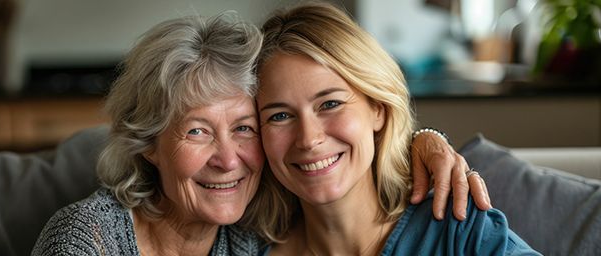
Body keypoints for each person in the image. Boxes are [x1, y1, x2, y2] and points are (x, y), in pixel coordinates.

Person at [32, 10, 490, 256]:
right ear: (148, 144)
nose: (228, 159)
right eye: (196, 131)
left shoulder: (251, 231)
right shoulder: (89, 240)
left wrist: (423, 139)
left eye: (244, 128)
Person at [254, 2, 539, 255]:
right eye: (279, 116)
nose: (308, 139)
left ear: (378, 108)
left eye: (329, 104)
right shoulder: (244, 247)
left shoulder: (459, 232)